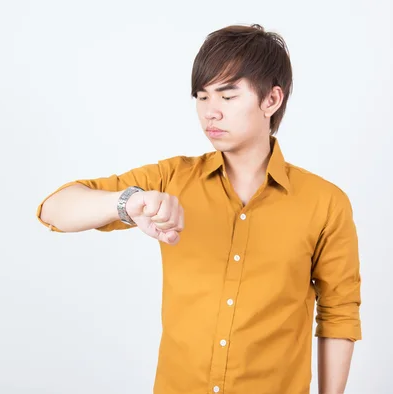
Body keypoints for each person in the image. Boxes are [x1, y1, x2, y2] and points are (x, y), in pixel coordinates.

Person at [37, 23, 362, 394]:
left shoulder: (325, 203)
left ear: (271, 100)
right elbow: (53, 210)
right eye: (202, 96)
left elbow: (339, 315)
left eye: (227, 96)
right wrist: (127, 202)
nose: (210, 112)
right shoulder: (173, 178)